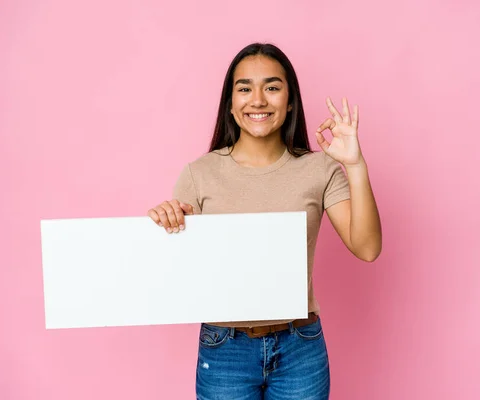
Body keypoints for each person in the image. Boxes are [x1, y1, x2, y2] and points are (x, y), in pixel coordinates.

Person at [147, 42, 382, 399]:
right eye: (244, 88)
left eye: (272, 87)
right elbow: (177, 275)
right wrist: (168, 226)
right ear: (230, 102)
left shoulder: (318, 168)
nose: (258, 100)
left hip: (299, 344)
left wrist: (354, 165)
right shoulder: (199, 174)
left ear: (290, 101)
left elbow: (367, 248)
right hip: (225, 346)